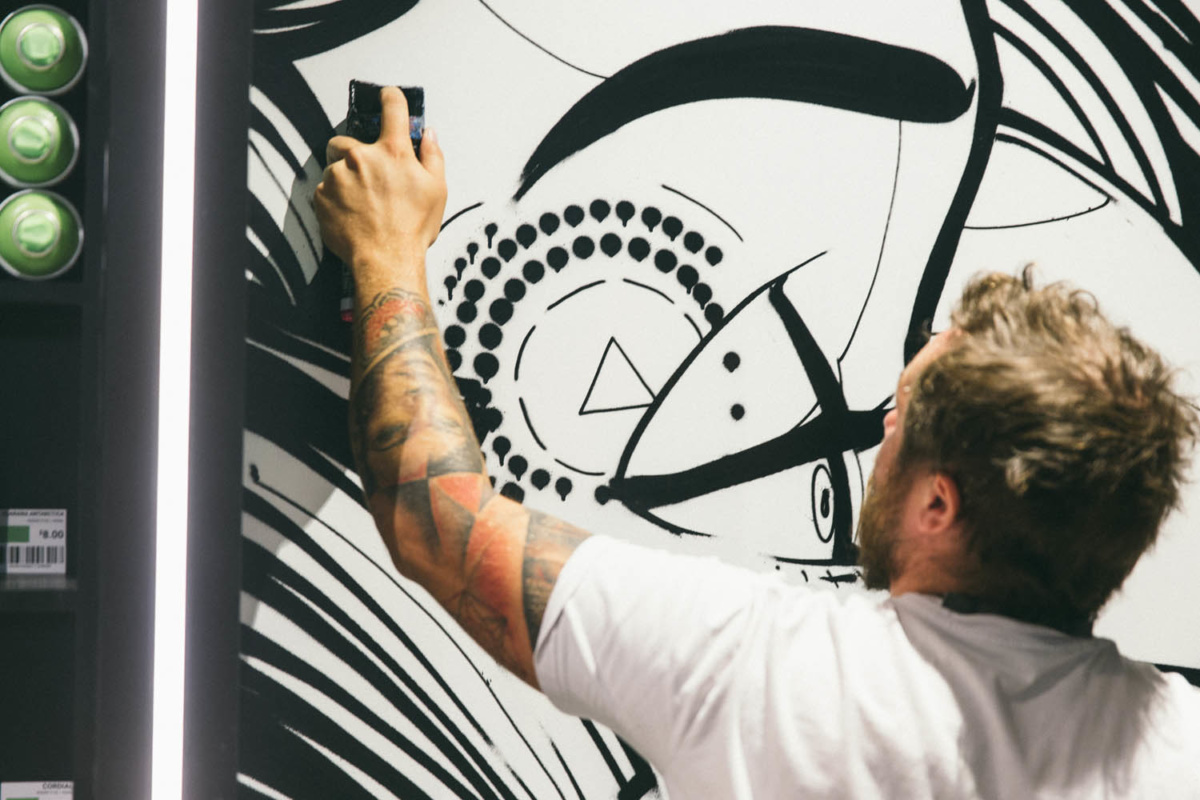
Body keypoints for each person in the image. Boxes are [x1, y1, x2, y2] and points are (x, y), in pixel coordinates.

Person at [314, 86, 1200, 798]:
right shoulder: (1179, 751)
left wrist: (387, 252)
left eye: (903, 416)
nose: (879, 429)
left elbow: (438, 521)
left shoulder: (767, 667)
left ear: (940, 505)